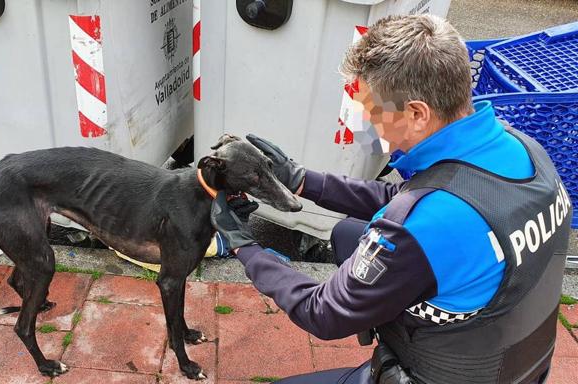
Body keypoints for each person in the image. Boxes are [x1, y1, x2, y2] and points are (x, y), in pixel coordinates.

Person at [210, 14, 572, 384]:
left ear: (417, 113)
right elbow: (408, 196)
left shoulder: (426, 226)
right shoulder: (522, 148)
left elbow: (321, 312)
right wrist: (302, 181)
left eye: (373, 113)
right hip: (518, 361)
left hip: (442, 374)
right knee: (346, 236)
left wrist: (246, 247)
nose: (368, 125)